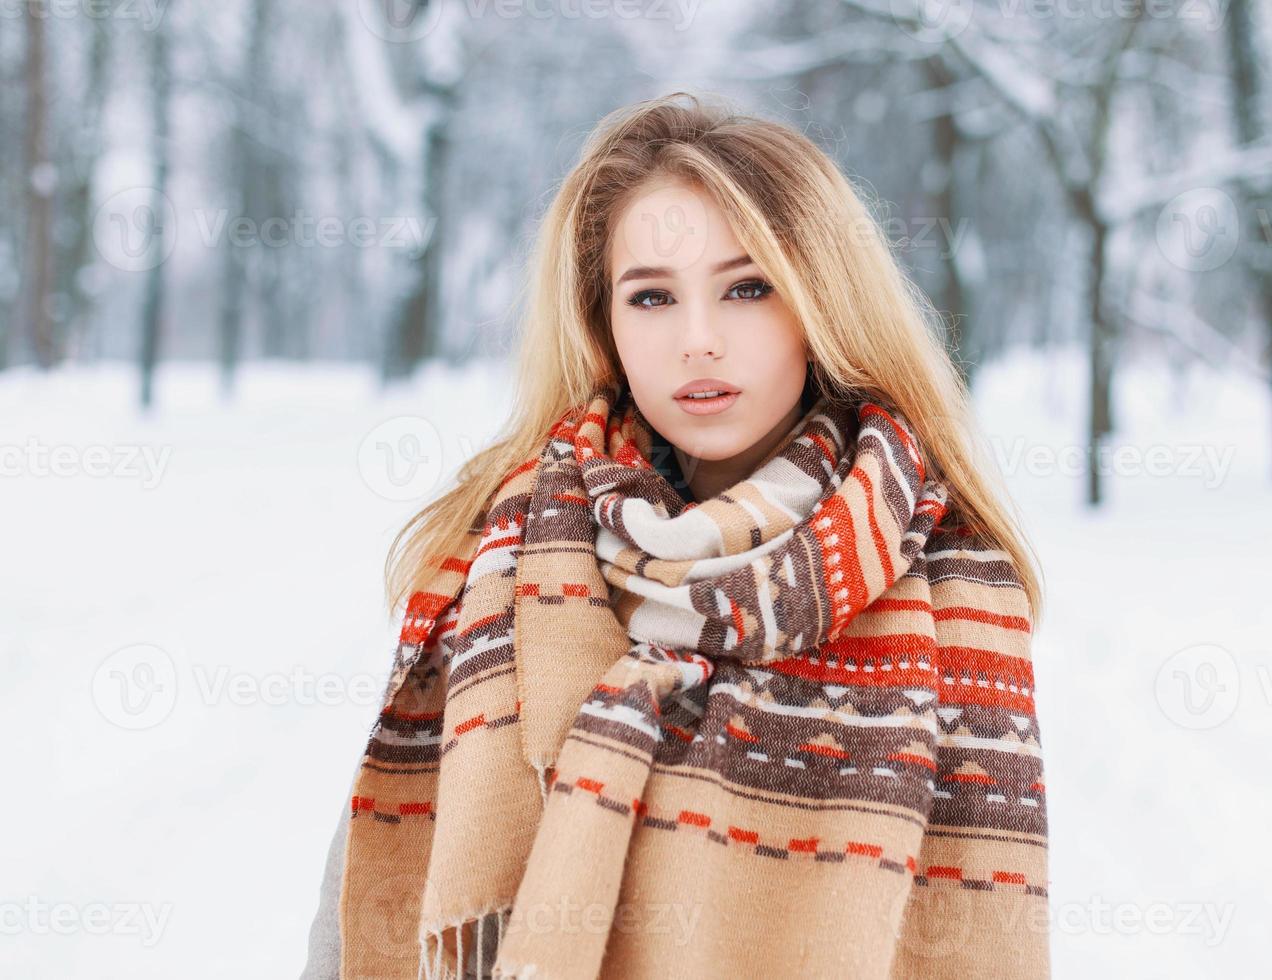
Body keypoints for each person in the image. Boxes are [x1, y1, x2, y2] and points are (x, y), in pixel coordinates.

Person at [303, 90, 1048, 979]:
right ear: (603, 323)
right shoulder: (498, 555)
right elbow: (361, 903)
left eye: (746, 287)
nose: (698, 340)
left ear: (819, 301)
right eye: (651, 297)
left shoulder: (946, 572)